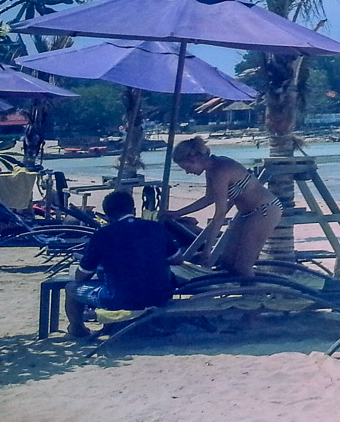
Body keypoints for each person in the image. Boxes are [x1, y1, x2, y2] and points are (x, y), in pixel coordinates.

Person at [65, 190, 179, 338]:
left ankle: (77, 329)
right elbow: (178, 259)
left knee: (71, 288)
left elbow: (82, 275)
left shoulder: (103, 234)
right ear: (134, 210)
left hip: (119, 299)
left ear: (108, 216)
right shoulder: (156, 228)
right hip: (159, 296)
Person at [163, 137, 282, 277]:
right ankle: (246, 291)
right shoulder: (212, 169)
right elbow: (209, 198)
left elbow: (220, 214)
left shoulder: (220, 170)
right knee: (227, 263)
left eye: (187, 168)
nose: (188, 173)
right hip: (246, 213)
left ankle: (256, 297)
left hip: (264, 210)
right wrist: (178, 213)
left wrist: (208, 250)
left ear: (195, 159)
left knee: (243, 266)